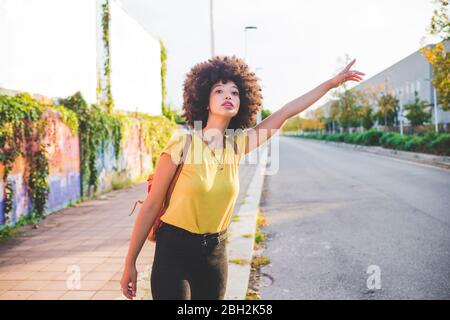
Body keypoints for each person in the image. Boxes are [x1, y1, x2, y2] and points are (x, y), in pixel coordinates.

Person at [120, 55, 364, 300]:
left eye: (235, 92)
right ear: (204, 100)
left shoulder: (236, 146)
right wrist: (130, 263)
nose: (228, 96)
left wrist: (330, 84)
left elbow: (286, 111)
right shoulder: (181, 144)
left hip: (215, 254)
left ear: (243, 102)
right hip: (174, 252)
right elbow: (151, 205)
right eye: (219, 90)